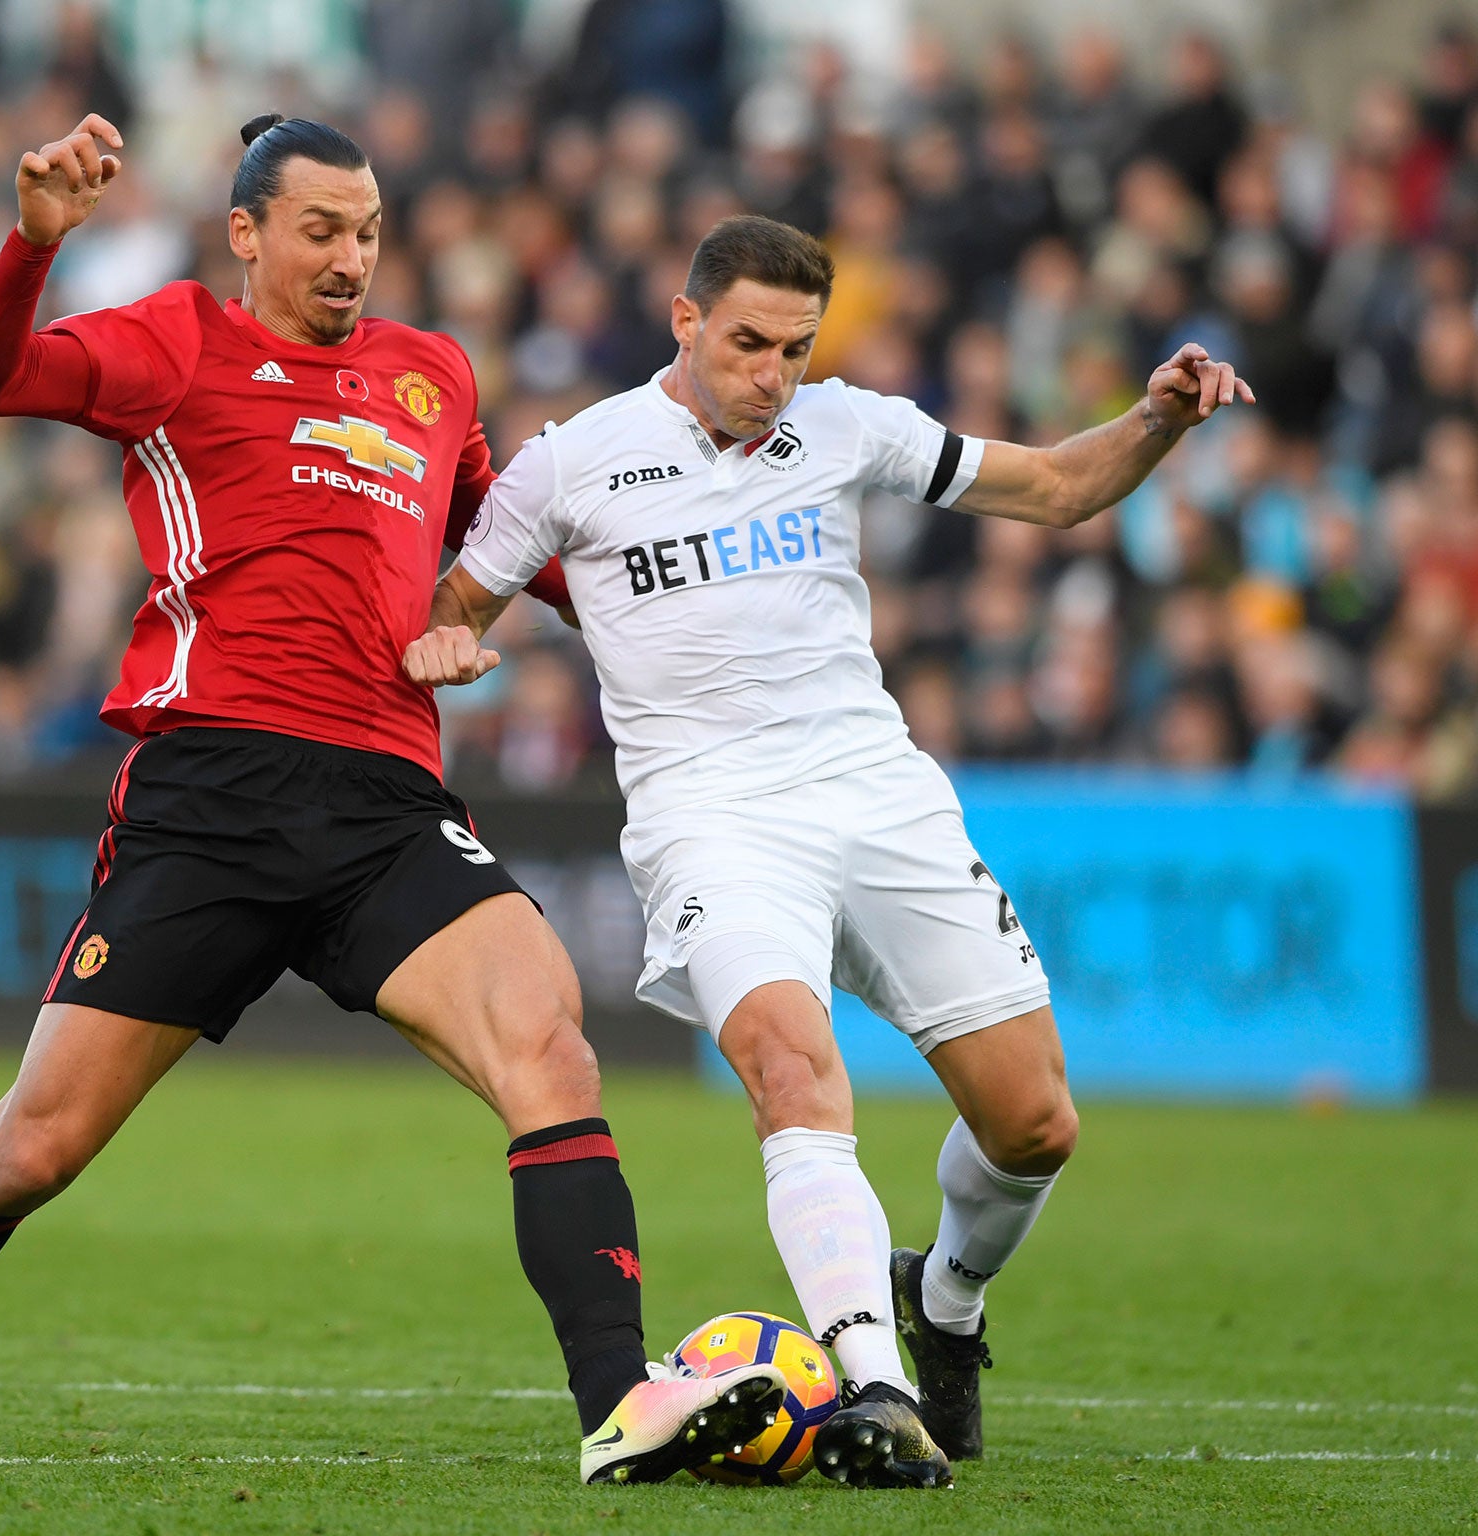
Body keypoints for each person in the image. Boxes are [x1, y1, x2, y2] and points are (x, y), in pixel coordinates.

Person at [0, 115, 786, 1484]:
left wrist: (666, 593)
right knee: (33, 1149)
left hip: (385, 802)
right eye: (320, 231)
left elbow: (514, 547)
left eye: (368, 232)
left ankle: (620, 1407)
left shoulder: (430, 376)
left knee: (550, 1051)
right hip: (211, 794)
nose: (350, 259)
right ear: (247, 232)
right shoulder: (174, 341)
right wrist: (35, 241)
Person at [406, 214, 1253, 1488]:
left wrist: (1156, 421)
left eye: (794, 348)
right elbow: (456, 604)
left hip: (875, 794)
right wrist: (449, 645)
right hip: (710, 818)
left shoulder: (846, 423)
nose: (771, 374)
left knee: (1033, 1126)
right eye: (747, 342)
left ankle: (945, 1301)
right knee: (793, 1072)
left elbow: (1057, 488)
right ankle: (873, 1385)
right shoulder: (572, 462)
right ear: (683, 320)